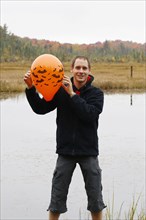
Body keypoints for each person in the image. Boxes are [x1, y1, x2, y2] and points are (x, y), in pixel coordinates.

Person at [24, 56, 106, 220]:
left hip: (88, 152)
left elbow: (89, 115)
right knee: (56, 200)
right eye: (78, 68)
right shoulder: (59, 91)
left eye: (84, 68)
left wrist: (72, 94)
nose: (81, 71)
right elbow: (40, 109)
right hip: (65, 152)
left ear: (89, 71)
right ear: (71, 69)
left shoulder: (96, 94)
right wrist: (31, 89)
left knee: (95, 200)